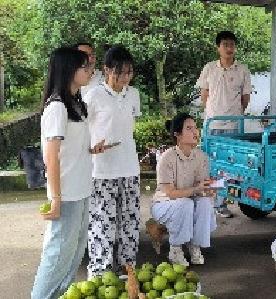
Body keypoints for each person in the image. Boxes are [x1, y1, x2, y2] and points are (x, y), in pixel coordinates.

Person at [31, 47, 106, 299]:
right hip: (67, 194)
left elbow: (69, 148)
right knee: (57, 257)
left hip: (82, 188)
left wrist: (90, 149)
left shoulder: (76, 103)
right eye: (84, 67)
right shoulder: (57, 107)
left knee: (73, 255)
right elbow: (51, 157)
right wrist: (56, 199)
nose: (89, 70)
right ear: (68, 70)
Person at [84, 45, 141, 277]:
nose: (125, 77)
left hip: (129, 166)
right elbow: (82, 131)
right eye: (120, 72)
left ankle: (128, 270)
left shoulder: (134, 94)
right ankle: (99, 273)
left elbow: (130, 127)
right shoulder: (93, 95)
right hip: (102, 170)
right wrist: (90, 148)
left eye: (129, 72)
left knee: (129, 223)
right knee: (102, 224)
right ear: (107, 70)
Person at [197, 30, 252, 218]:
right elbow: (204, 96)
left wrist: (234, 116)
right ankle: (209, 204)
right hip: (212, 126)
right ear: (218, 47)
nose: (229, 48)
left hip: (233, 128)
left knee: (230, 166)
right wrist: (214, 114)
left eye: (232, 44)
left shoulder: (242, 69)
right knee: (211, 165)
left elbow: (245, 98)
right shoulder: (209, 68)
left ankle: (221, 204)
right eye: (225, 44)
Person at [151, 113, 217, 266]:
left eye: (195, 127)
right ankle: (175, 248)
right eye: (189, 128)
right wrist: (196, 189)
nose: (195, 132)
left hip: (188, 200)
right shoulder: (167, 158)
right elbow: (170, 193)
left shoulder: (201, 157)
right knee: (185, 203)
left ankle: (195, 245)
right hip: (164, 203)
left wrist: (211, 190)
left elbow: (202, 187)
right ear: (177, 135)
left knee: (205, 202)